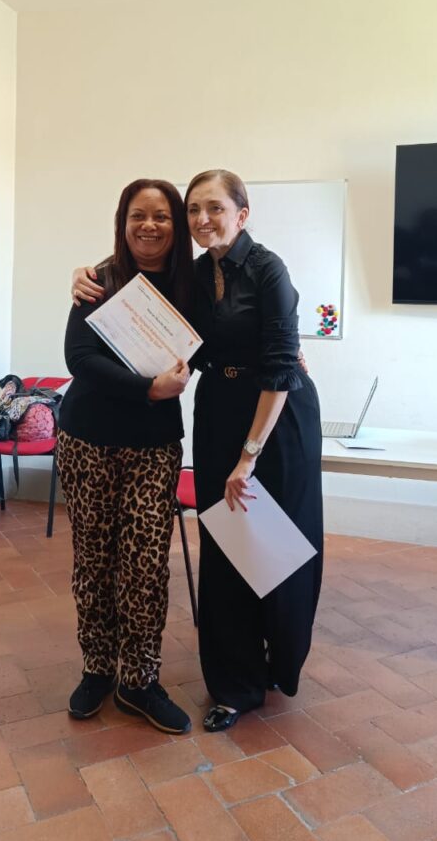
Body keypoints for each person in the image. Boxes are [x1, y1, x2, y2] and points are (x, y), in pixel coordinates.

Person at [72, 170, 323, 732]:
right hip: (218, 412)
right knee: (227, 548)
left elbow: (280, 367)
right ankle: (234, 685)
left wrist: (248, 457)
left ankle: (279, 663)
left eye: (215, 208)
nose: (202, 219)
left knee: (277, 548)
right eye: (193, 210)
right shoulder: (192, 274)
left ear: (242, 213)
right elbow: (146, 313)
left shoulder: (268, 269)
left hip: (275, 420)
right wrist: (82, 274)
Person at [57, 178, 195, 734]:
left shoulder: (193, 287)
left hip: (153, 448)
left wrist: (290, 350)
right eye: (139, 215)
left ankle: (139, 680)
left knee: (144, 566)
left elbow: (227, 339)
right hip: (86, 439)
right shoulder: (99, 279)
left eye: (161, 216)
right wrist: (148, 389)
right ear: (123, 221)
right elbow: (79, 358)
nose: (149, 226)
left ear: (176, 225)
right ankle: (97, 669)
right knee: (93, 560)